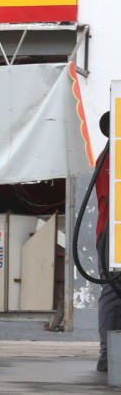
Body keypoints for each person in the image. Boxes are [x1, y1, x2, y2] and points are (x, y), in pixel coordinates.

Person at [94, 112, 121, 372]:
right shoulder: (110, 158)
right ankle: (108, 355)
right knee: (113, 292)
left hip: (112, 232)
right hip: (112, 235)